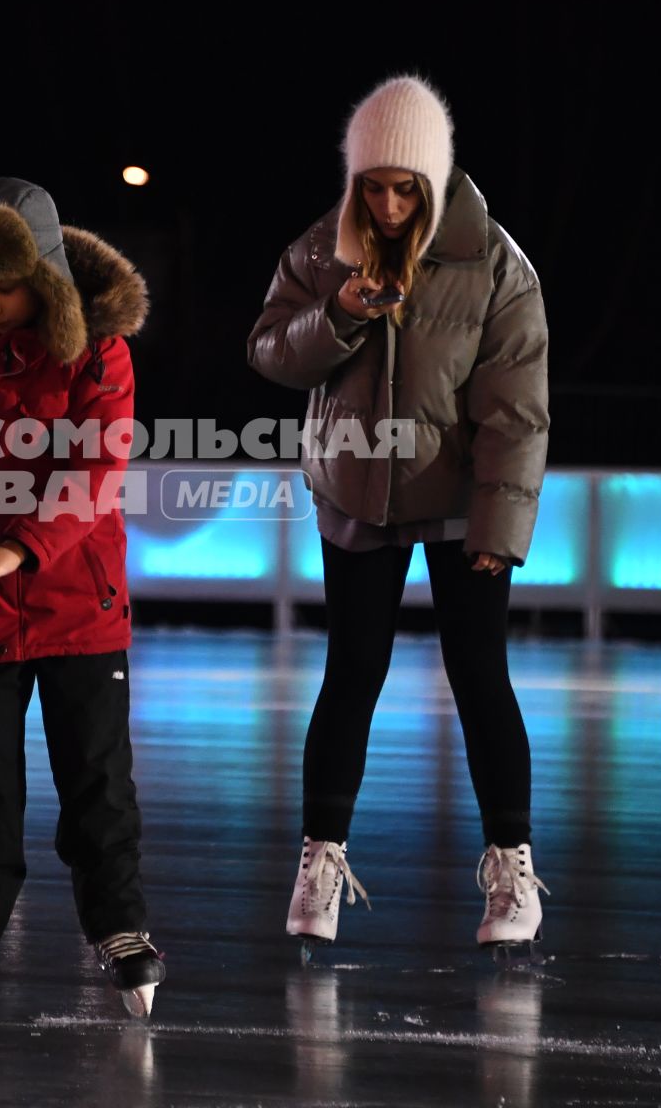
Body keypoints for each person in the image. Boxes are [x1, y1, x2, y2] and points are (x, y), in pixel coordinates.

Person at [245, 75, 552, 958]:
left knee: (480, 678)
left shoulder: (495, 262)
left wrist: (498, 529)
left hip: (458, 501)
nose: (385, 203)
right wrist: (337, 315)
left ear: (433, 179)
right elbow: (268, 352)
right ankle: (321, 864)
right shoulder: (320, 252)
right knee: (352, 675)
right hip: (356, 492)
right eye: (371, 185)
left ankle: (510, 870)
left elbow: (516, 410)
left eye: (403, 187)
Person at [0, 177, 164, 1017]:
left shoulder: (100, 352)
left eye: (1, 286)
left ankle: (118, 922)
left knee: (96, 773)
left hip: (76, 605)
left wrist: (19, 548)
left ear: (42, 276)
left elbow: (97, 472)